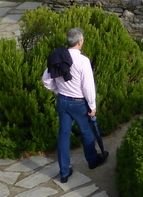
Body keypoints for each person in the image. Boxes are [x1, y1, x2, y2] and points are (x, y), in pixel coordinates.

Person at [41, 27, 107, 182]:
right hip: (78, 103)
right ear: (80, 42)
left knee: (63, 135)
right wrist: (92, 105)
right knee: (86, 132)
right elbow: (88, 86)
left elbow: (46, 80)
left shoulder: (57, 56)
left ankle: (64, 172)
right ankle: (92, 160)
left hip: (62, 101)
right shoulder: (83, 61)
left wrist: (58, 90)